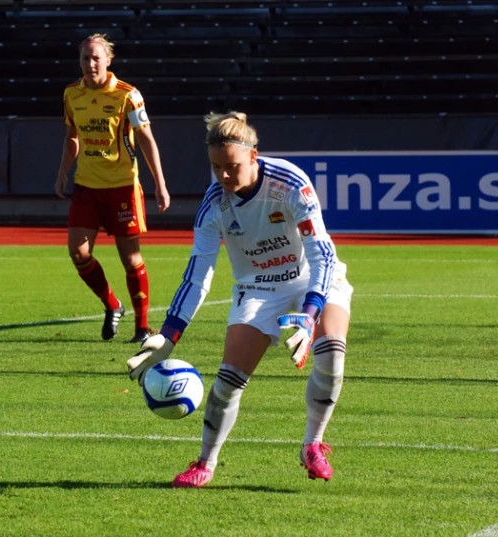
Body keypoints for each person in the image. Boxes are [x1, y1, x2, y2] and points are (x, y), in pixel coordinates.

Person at [126, 111, 353, 488]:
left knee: (332, 354)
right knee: (229, 381)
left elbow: (322, 256)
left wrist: (310, 316)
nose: (223, 177)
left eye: (231, 166)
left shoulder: (291, 184)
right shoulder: (215, 204)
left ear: (253, 156)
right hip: (258, 287)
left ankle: (312, 444)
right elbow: (197, 275)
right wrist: (169, 335)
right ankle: (205, 463)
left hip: (311, 278)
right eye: (216, 168)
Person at [55, 33, 171, 343]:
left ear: (108, 60)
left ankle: (142, 327)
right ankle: (112, 305)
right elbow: (72, 136)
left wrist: (160, 183)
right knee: (78, 252)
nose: (90, 63)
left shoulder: (127, 95)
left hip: (122, 187)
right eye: (85, 58)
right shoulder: (71, 94)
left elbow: (146, 138)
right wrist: (63, 172)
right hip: (87, 186)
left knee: (130, 258)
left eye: (96, 57)